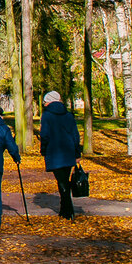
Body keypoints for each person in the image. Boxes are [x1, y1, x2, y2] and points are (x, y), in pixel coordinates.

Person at [40, 90, 82, 220]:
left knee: (62, 182)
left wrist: (43, 149)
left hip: (54, 152)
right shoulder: (68, 115)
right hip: (68, 151)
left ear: (48, 102)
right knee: (64, 180)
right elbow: (75, 135)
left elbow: (45, 135)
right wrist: (77, 152)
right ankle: (66, 210)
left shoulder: (47, 116)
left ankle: (67, 211)